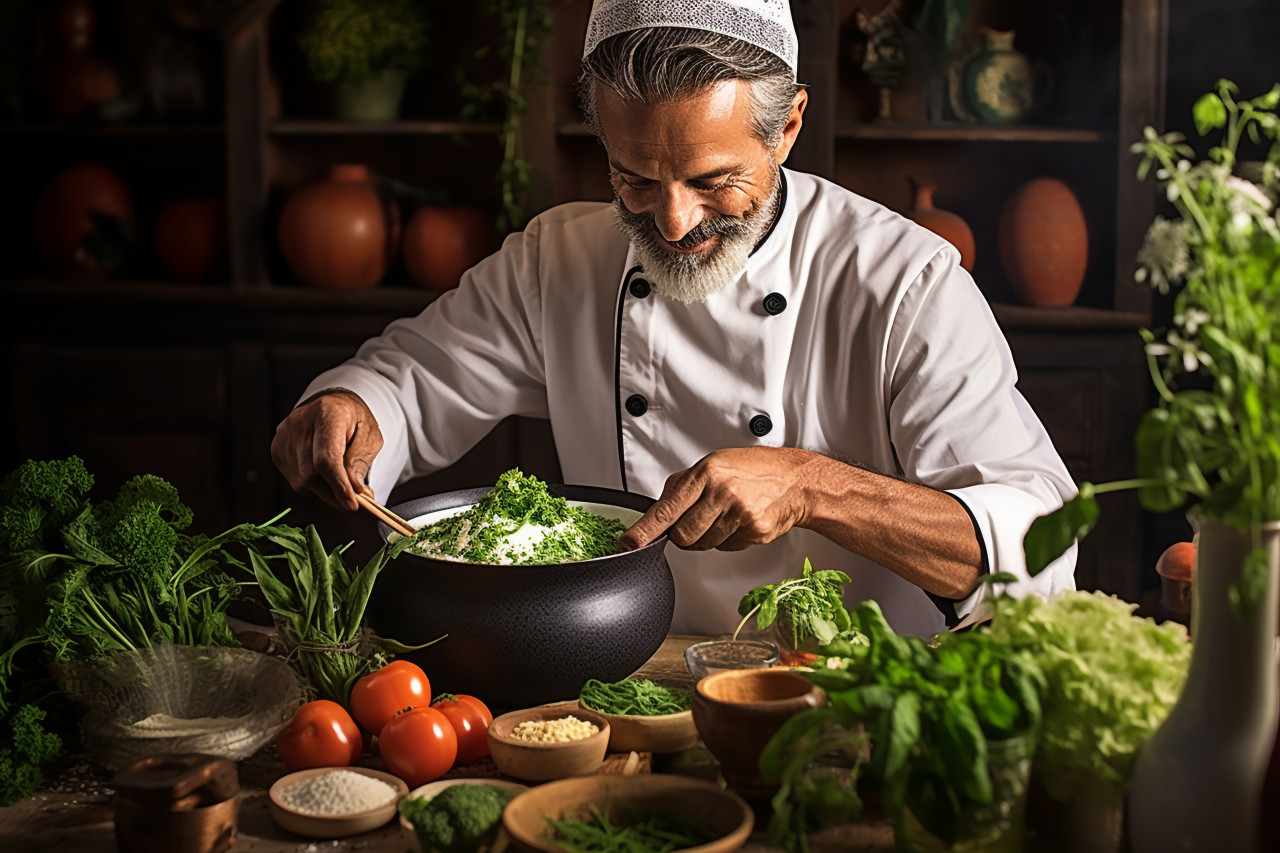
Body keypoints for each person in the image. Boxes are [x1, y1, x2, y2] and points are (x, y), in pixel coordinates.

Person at [271, 0, 1077, 638]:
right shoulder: (559, 258)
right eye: (635, 179)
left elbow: (1043, 543)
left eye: (713, 180)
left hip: (843, 707)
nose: (674, 223)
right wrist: (352, 408)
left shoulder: (903, 282)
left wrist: (811, 486)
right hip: (630, 688)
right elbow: (411, 380)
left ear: (787, 127)